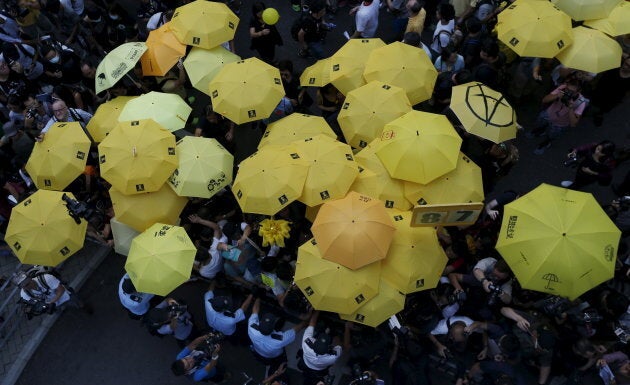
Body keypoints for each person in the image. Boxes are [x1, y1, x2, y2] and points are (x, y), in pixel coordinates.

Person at [248, 297, 307, 375]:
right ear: (273, 327)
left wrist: (258, 297)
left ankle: (282, 319)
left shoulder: (252, 328)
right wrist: (307, 320)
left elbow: (254, 311)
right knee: (283, 361)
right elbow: (296, 329)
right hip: (273, 357)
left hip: (257, 351)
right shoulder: (280, 340)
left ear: (261, 322)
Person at [528, 78, 587, 155]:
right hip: (548, 115)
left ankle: (544, 144)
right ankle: (540, 131)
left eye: (572, 92)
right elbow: (544, 100)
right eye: (567, 89)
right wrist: (557, 95)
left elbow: (573, 124)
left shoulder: (581, 102)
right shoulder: (562, 88)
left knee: (551, 135)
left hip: (560, 124)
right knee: (541, 125)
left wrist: (571, 108)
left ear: (579, 91)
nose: (568, 92)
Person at [300, 311, 347, 385]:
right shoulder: (333, 356)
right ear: (329, 348)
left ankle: (325, 329)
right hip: (317, 369)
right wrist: (336, 336)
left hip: (310, 364)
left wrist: (317, 309)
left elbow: (311, 324)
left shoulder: (306, 344)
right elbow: (339, 345)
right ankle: (329, 329)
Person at [188, 214, 230, 279]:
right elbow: (216, 228)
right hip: (221, 265)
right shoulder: (215, 250)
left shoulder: (203, 272)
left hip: (217, 273)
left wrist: (194, 266)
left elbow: (200, 269)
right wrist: (200, 220)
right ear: (207, 251)